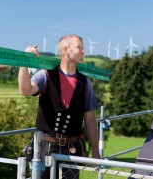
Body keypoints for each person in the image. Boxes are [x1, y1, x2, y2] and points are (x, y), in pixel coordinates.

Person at [18, 34, 101, 179]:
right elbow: (25, 90)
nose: (83, 51)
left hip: (72, 151)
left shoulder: (85, 82)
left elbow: (89, 119)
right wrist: (24, 61)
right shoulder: (45, 75)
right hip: (44, 148)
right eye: (79, 47)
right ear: (66, 50)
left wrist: (95, 151)